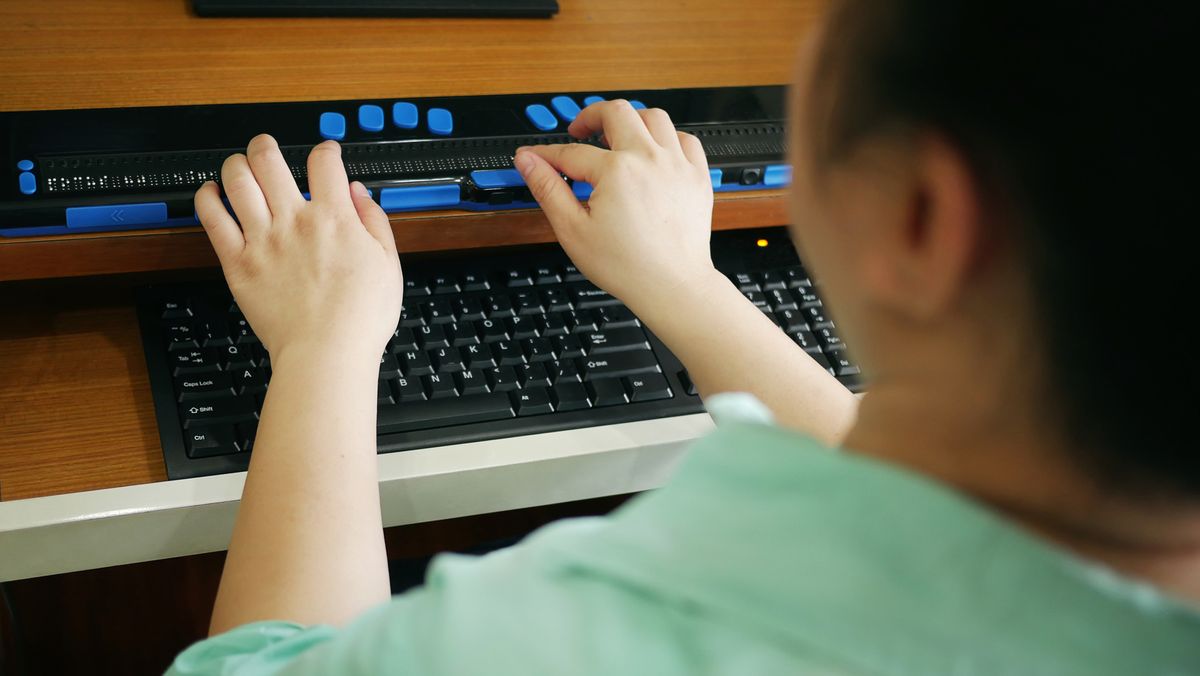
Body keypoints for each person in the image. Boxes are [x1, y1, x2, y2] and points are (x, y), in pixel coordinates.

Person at [168, 1, 1199, 673]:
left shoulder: (558, 636)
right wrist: (684, 283)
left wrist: (323, 347)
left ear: (923, 219)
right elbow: (969, 511)